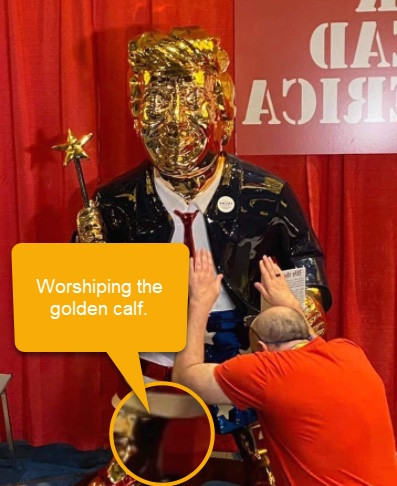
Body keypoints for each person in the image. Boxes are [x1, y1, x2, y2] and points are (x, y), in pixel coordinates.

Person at [76, 27, 332, 485]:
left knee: (262, 435)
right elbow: (87, 288)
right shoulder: (116, 200)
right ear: (136, 115)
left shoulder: (264, 193)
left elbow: (302, 255)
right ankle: (134, 461)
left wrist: (304, 302)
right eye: (157, 104)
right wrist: (86, 252)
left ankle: (264, 457)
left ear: (223, 115)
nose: (174, 122)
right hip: (161, 335)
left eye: (192, 104)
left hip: (242, 336)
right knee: (148, 412)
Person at [173, 249, 397, 486]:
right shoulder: (349, 352)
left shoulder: (266, 371)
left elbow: (184, 378)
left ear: (261, 348)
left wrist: (198, 303)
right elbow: (310, 338)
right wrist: (290, 302)